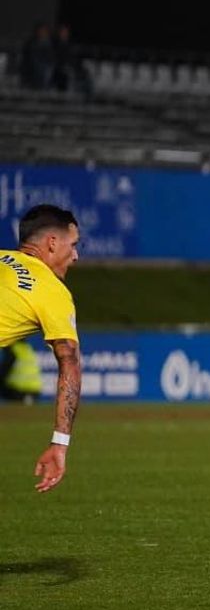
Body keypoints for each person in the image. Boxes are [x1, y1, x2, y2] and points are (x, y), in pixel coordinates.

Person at [0, 205, 82, 492]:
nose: (76, 256)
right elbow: (69, 361)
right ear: (52, 243)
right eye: (73, 245)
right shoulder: (51, 291)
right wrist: (60, 442)